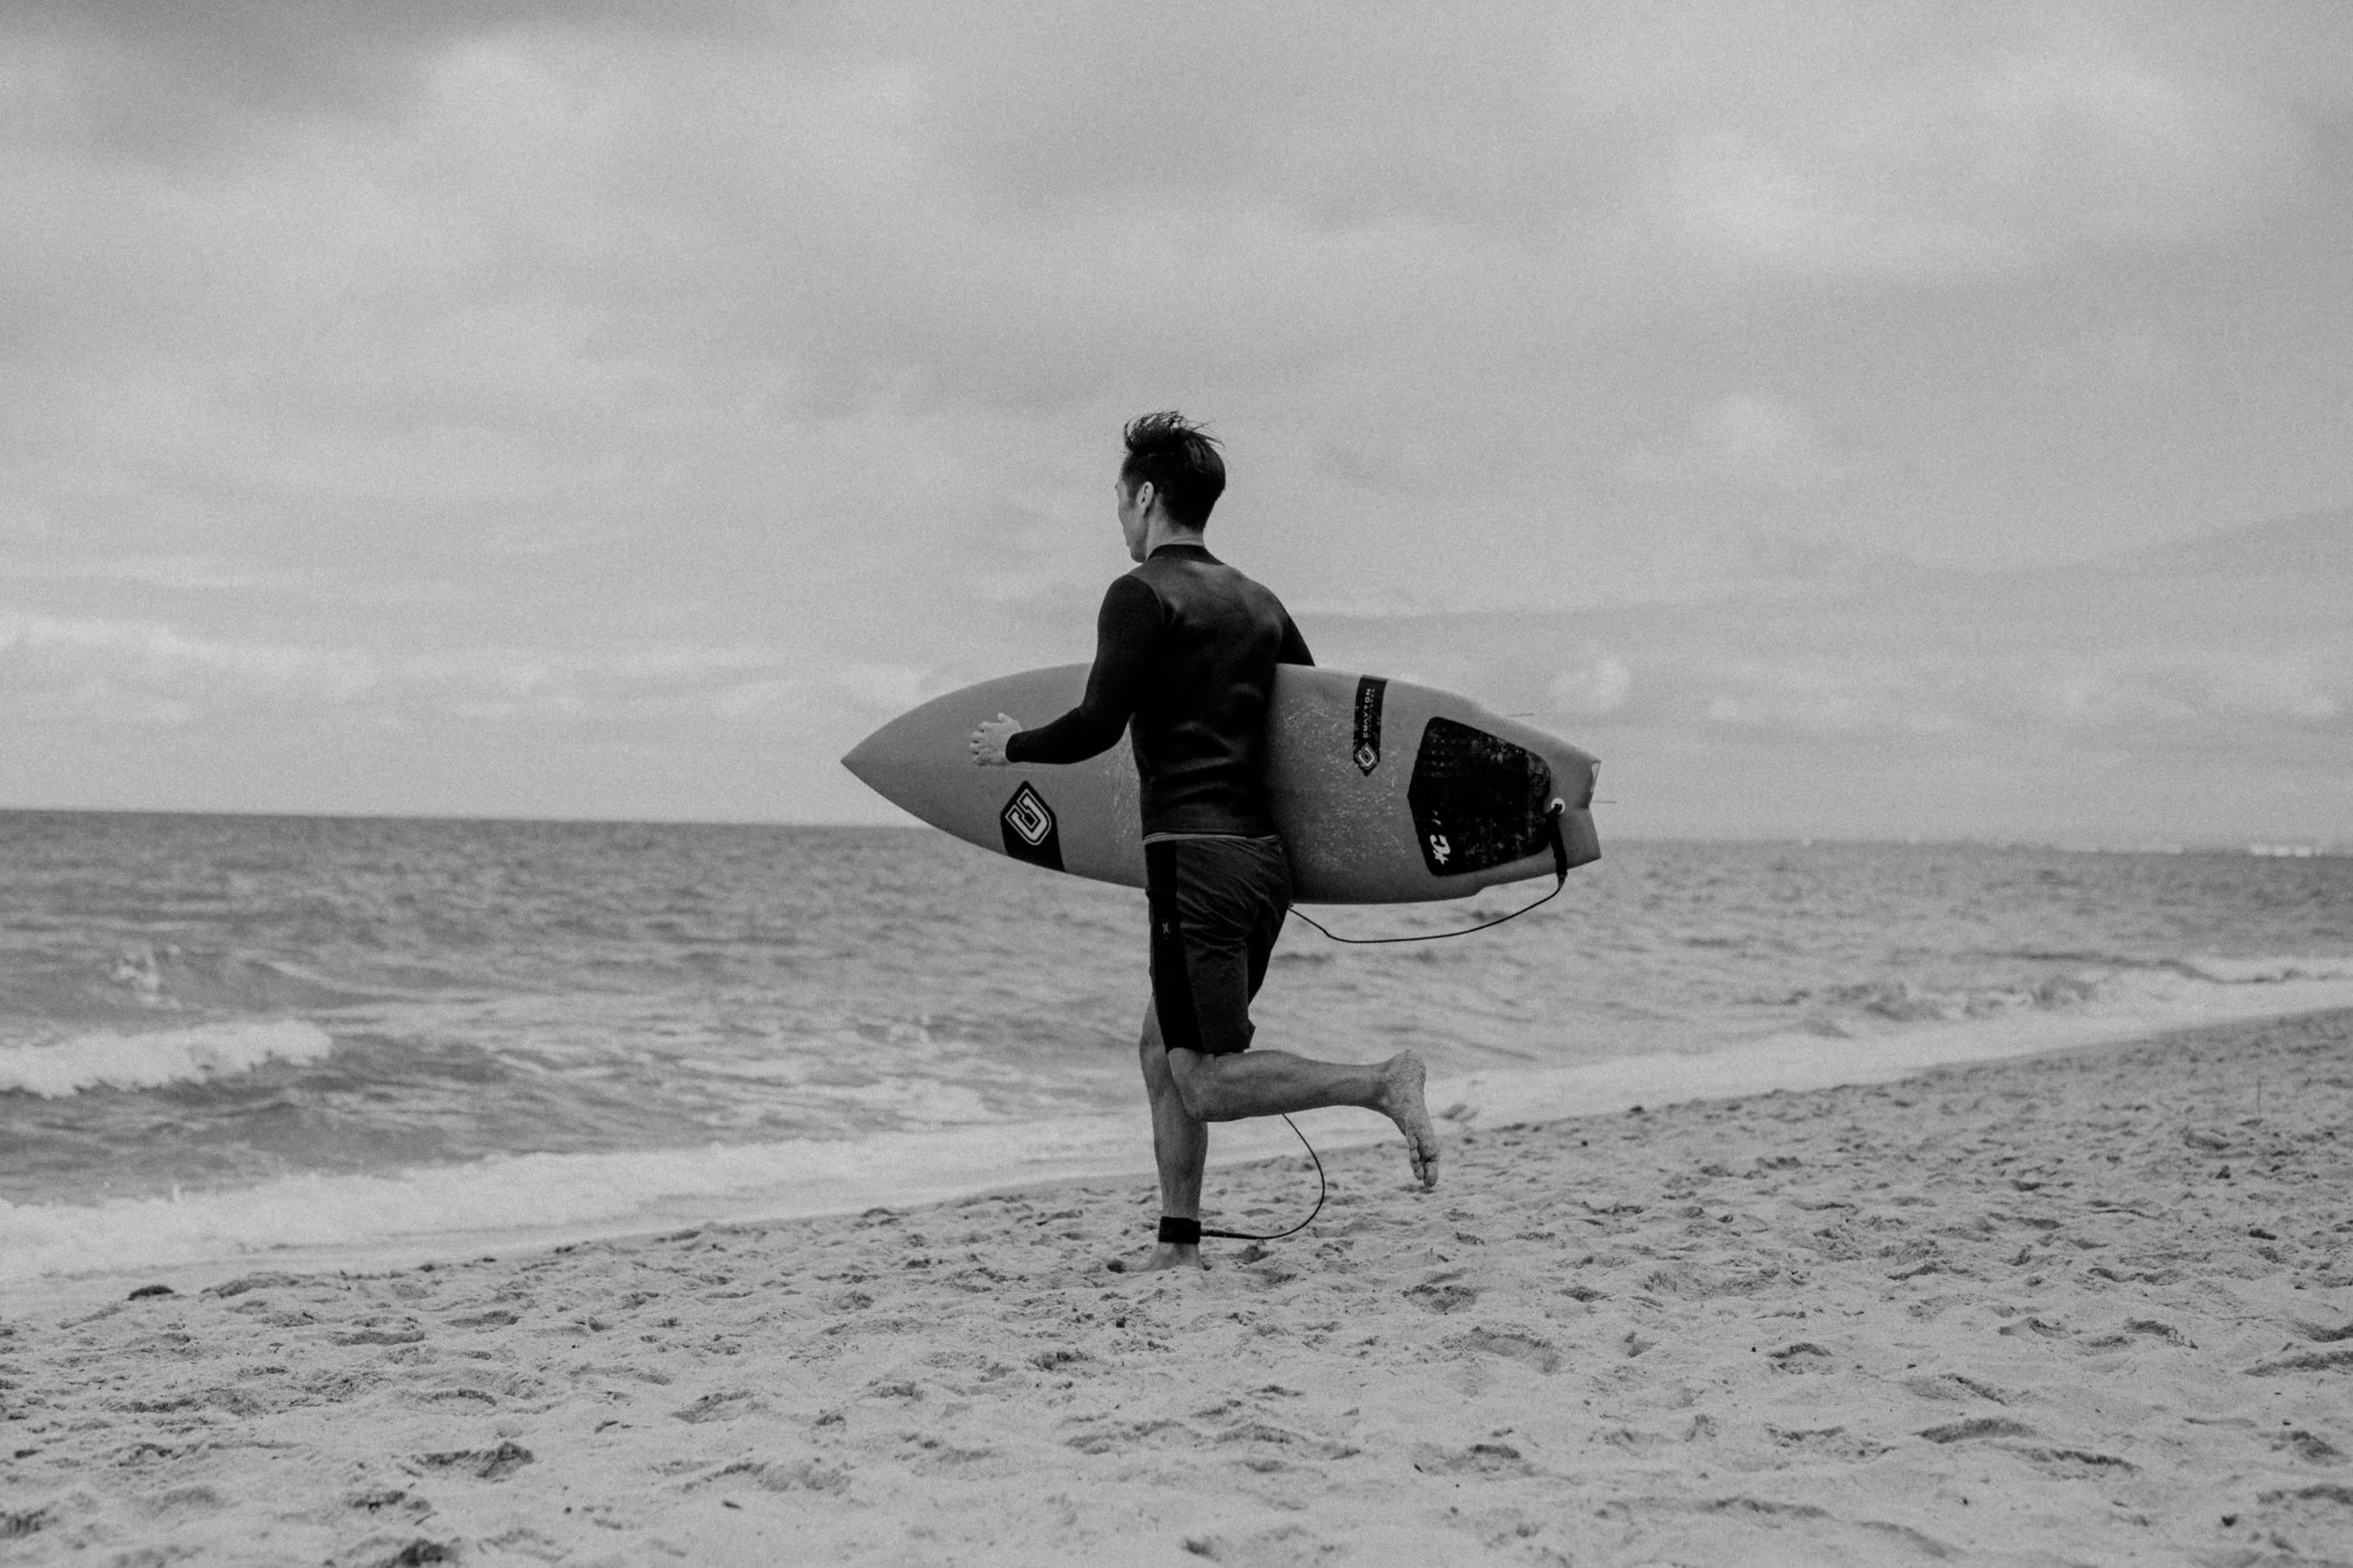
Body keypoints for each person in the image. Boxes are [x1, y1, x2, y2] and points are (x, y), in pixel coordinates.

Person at [970, 411, 1439, 1273]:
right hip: (1261, 864)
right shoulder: (1261, 603)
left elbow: (1097, 724)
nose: (1118, 516)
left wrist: (1012, 746)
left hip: (1194, 859)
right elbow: (1313, 729)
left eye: (1119, 498)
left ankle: (1382, 1082)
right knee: (1163, 1048)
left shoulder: (1141, 594)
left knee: (1204, 1076)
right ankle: (1178, 1244)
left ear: (1146, 496)